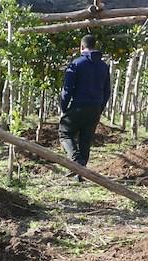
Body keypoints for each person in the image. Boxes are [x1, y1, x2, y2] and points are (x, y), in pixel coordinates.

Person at [58, 34, 111, 181]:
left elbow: (67, 89)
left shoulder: (76, 64)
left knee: (64, 133)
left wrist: (64, 108)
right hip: (95, 108)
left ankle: (77, 162)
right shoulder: (104, 66)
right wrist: (100, 108)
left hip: (79, 106)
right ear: (95, 46)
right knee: (85, 141)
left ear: (81, 47)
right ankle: (80, 175)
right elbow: (107, 91)